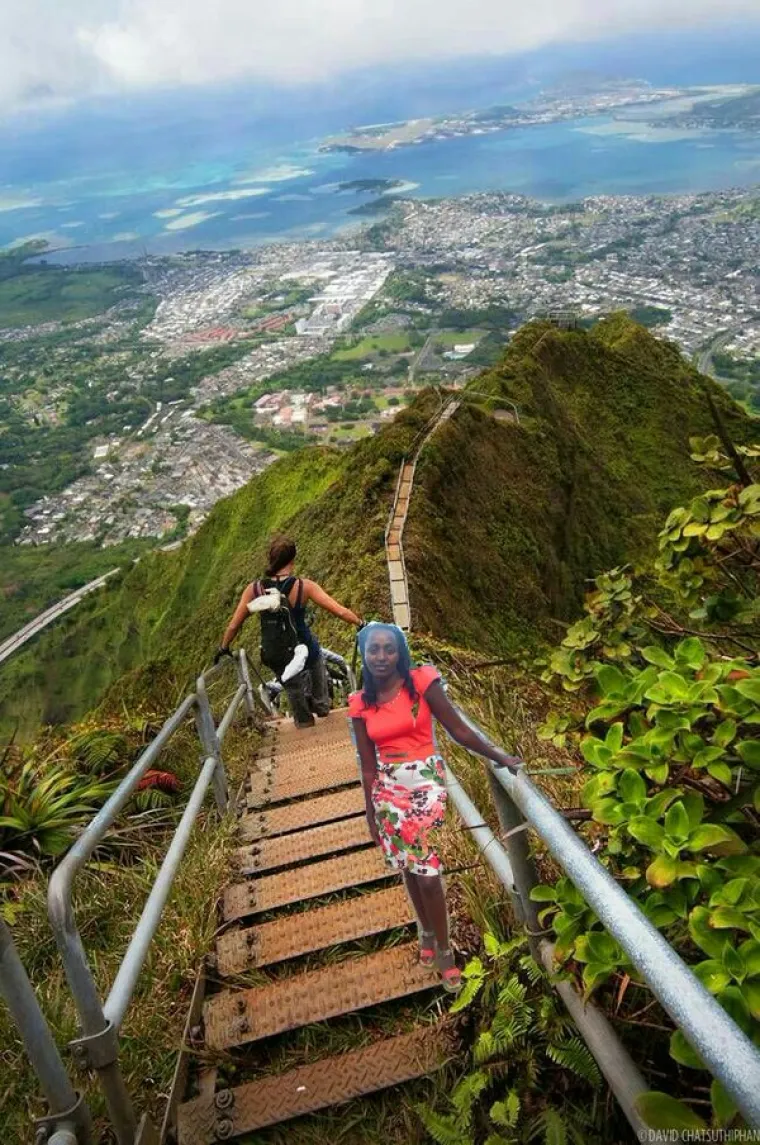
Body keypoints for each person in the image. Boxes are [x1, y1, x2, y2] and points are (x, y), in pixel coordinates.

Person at [348, 622, 521, 992]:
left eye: (389, 649)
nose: (381, 657)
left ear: (400, 652)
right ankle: (425, 930)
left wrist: (498, 755)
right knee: (408, 868)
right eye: (373, 649)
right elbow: (366, 765)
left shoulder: (421, 683)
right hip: (388, 789)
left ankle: (444, 951)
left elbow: (457, 729)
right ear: (363, 654)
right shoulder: (360, 704)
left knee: (426, 871)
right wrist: (370, 814)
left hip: (425, 782)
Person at [216, 536, 363, 729]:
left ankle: (304, 721)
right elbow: (339, 610)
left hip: (276, 651)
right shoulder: (304, 586)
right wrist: (361, 623)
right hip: (306, 646)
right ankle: (320, 705)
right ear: (292, 561)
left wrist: (224, 647)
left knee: (293, 687)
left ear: (271, 560)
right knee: (316, 663)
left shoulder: (255, 589)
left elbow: (234, 625)